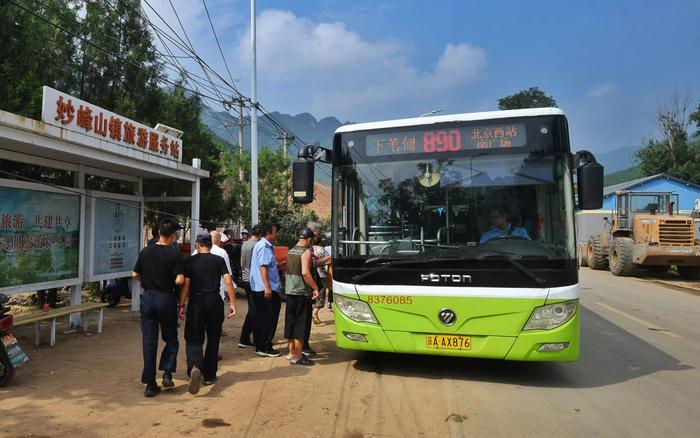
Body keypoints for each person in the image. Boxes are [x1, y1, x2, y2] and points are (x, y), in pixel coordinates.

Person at [131, 217, 184, 397]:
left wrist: (148, 281)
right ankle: (167, 372)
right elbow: (180, 279)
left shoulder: (145, 251)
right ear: (171, 236)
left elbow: (134, 274)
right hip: (165, 298)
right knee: (171, 338)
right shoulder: (175, 254)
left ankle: (150, 384)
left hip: (148, 298)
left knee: (149, 341)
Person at [178, 231, 237, 394]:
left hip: (196, 301)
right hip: (214, 301)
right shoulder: (218, 260)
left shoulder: (190, 261)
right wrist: (232, 303)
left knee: (193, 337)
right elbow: (227, 280)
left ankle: (195, 367)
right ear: (211, 245)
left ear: (197, 245)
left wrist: (181, 305)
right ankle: (210, 375)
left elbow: (187, 285)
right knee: (213, 337)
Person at [284, 228, 321, 365]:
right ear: (310, 239)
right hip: (301, 293)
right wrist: (315, 288)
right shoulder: (305, 252)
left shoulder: (290, 251)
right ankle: (298, 356)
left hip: (290, 292)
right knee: (301, 325)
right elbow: (305, 273)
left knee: (291, 323)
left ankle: (290, 353)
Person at [249, 223, 282, 357]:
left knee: (261, 317)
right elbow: (263, 267)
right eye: (276, 232)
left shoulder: (263, 245)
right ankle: (264, 346)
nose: (277, 234)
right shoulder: (263, 246)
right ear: (269, 233)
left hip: (261, 287)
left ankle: (260, 345)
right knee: (268, 318)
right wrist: (268, 287)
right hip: (266, 289)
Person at [303, 222, 331, 356]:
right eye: (316, 235)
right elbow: (307, 269)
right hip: (313, 282)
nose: (317, 238)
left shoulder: (303, 250)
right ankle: (302, 348)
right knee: (318, 298)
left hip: (308, 284)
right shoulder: (310, 251)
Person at [237, 224, 260, 348]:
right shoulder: (257, 245)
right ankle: (246, 338)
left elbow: (241, 262)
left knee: (253, 309)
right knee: (254, 310)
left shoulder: (245, 244)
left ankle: (245, 338)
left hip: (246, 278)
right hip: (253, 280)